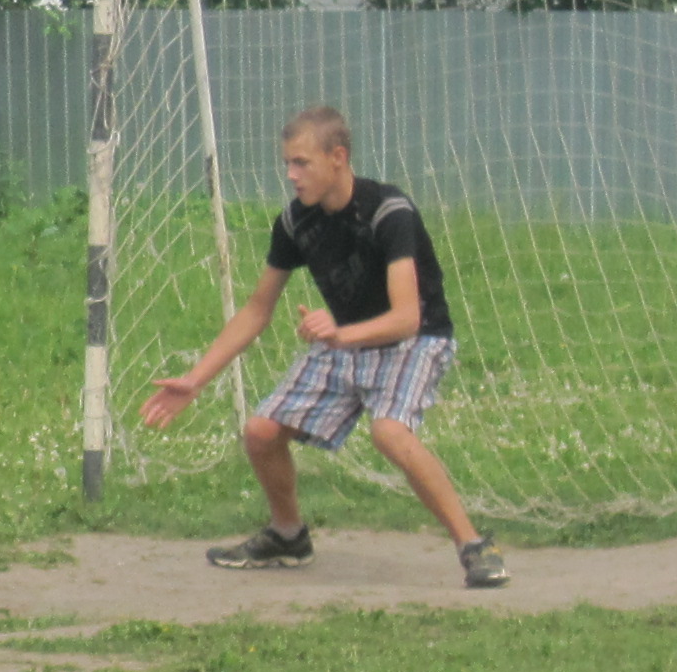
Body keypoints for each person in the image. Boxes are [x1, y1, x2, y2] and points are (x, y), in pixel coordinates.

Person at [141, 105, 506, 588]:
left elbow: (406, 318)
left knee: (389, 433)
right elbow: (257, 310)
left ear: (338, 157)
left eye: (301, 163)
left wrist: (339, 335)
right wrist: (195, 379)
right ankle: (288, 536)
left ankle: (474, 546)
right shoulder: (295, 222)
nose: (291, 175)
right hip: (346, 340)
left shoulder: (389, 212)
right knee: (261, 431)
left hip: (414, 341)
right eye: (287, 164)